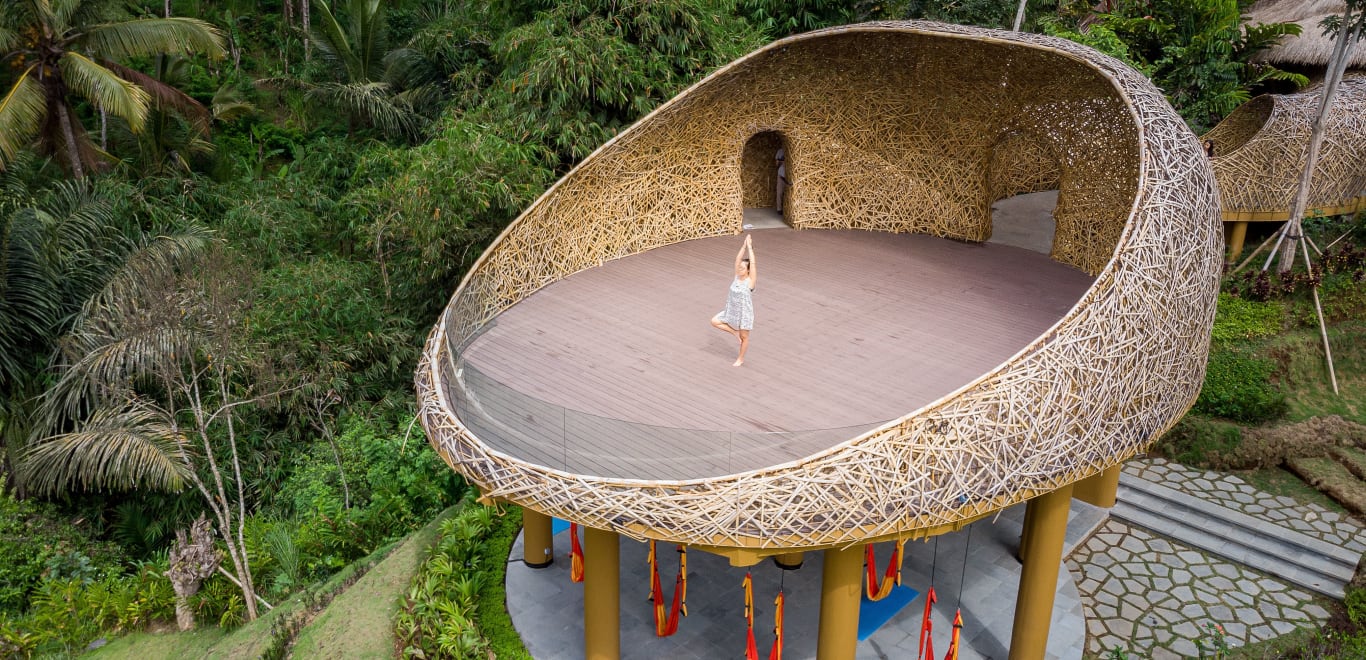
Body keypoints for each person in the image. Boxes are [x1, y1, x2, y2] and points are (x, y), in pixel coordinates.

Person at [710, 235, 756, 366]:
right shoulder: (736, 277)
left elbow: (753, 264)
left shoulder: (750, 282)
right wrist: (743, 246)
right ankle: (734, 332)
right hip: (731, 310)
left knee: (744, 337)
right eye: (739, 267)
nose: (739, 269)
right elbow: (737, 260)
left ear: (748, 270)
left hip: (744, 314)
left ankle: (740, 358)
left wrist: (750, 248)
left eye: (743, 268)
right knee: (714, 321)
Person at [774, 148, 786, 215]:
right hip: (781, 174)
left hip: (790, 175)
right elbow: (776, 164)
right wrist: (781, 162)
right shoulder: (780, 151)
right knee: (780, 192)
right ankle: (779, 209)